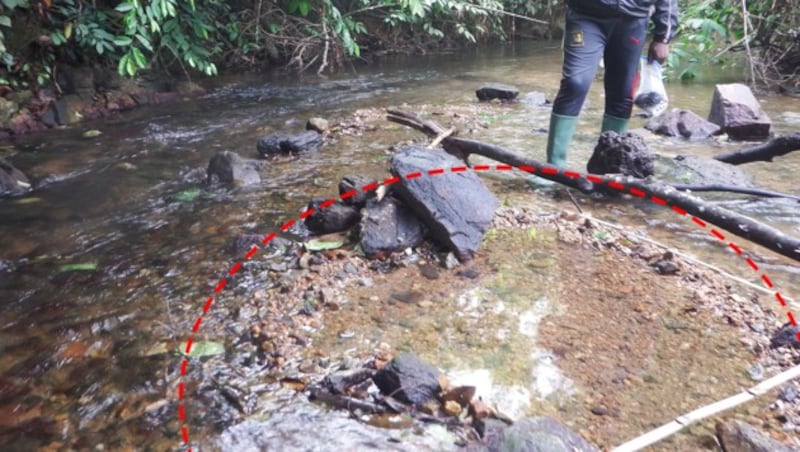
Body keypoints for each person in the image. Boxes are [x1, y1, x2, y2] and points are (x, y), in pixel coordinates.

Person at [540, 0, 679, 175]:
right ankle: (554, 166)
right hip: (586, 17)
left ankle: (608, 166)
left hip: (633, 21)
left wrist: (663, 37)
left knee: (622, 93)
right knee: (575, 83)